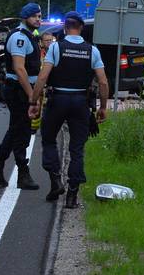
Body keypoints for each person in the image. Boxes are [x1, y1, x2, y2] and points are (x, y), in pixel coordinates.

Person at [29, 12, 109, 208]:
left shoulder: (56, 47)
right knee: (77, 149)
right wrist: (103, 107)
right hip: (81, 102)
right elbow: (103, 82)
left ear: (65, 28)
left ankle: (56, 181)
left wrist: (34, 101)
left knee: (48, 140)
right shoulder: (92, 51)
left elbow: (42, 77)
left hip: (57, 100)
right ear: (81, 28)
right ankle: (72, 195)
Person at [0, 2, 43, 190]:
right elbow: (19, 69)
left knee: (16, 129)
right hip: (18, 88)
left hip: (24, 87)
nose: (38, 19)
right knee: (21, 130)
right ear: (25, 17)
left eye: (40, 16)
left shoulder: (30, 36)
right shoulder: (20, 37)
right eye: (34, 16)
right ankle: (22, 174)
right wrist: (31, 96)